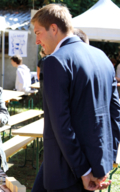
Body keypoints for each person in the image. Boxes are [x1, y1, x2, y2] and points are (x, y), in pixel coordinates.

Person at [31, 4, 120, 192]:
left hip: (68, 171)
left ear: (53, 28)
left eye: (38, 32)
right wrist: (106, 161)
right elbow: (115, 115)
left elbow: (60, 124)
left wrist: (84, 170)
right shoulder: (102, 57)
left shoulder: (55, 61)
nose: (37, 41)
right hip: (93, 164)